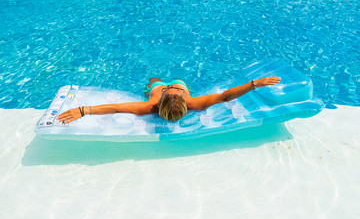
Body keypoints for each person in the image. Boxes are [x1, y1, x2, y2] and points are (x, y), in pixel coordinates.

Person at [57, 77, 281, 123]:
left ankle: (151, 86)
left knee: (154, 79)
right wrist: (253, 84)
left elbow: (116, 108)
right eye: (175, 92)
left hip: (156, 89)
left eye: (174, 91)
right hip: (181, 89)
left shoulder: (149, 104)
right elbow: (224, 97)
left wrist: (83, 110)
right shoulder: (195, 102)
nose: (172, 89)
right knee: (180, 79)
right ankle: (182, 84)